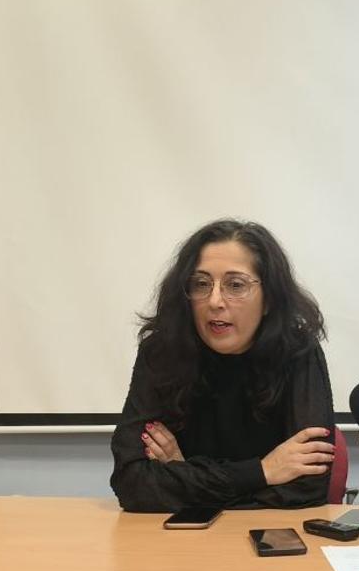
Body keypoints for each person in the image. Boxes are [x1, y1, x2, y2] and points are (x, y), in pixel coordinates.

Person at [110, 219, 335, 511]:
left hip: (269, 538)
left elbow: (307, 488)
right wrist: (262, 472)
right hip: (178, 543)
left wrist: (184, 474)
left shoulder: (297, 352)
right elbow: (132, 483)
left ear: (269, 299)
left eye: (236, 285)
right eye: (201, 284)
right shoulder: (162, 352)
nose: (215, 300)